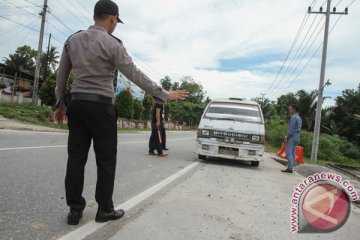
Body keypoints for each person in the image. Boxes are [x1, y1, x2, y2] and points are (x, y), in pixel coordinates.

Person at [54, 0, 188, 225]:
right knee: (106, 159)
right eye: (116, 22)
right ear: (112, 19)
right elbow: (134, 74)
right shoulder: (113, 44)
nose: (115, 26)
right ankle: (104, 209)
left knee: (76, 158)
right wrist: (163, 93)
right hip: (101, 107)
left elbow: (62, 74)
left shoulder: (72, 40)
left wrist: (59, 104)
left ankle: (74, 210)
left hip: (76, 104)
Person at [281, 104, 302, 173]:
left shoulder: (293, 118)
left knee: (288, 152)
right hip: (297, 137)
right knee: (293, 153)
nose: (289, 110)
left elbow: (291, 129)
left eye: (290, 109)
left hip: (292, 137)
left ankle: (290, 168)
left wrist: (287, 137)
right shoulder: (299, 118)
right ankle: (292, 167)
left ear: (294, 110)